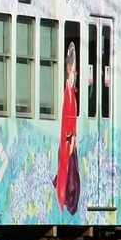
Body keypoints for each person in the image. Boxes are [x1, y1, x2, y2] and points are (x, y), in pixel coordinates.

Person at [53, 42, 81, 214]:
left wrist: (73, 138)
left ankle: (63, 201)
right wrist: (71, 140)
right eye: (71, 70)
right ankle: (62, 201)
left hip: (69, 142)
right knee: (66, 173)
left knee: (69, 174)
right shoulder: (68, 94)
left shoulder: (71, 92)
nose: (73, 74)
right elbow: (67, 121)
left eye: (74, 71)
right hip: (67, 143)